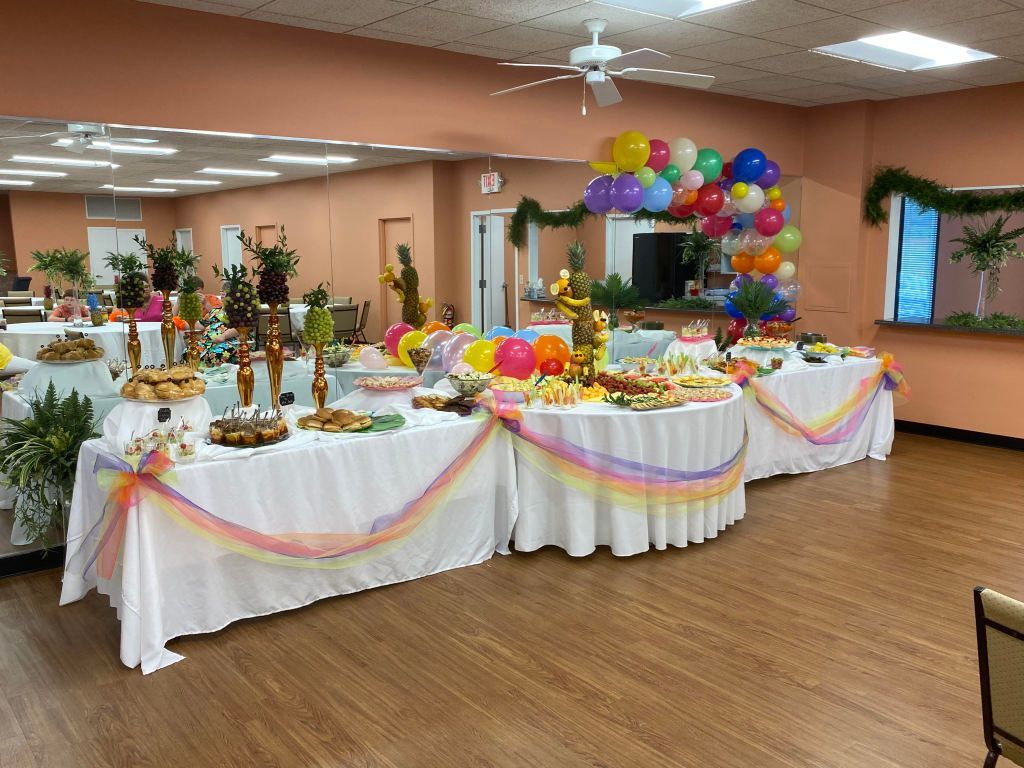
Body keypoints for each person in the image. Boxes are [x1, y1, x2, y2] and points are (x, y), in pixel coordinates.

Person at [194, 292, 248, 366]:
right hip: (206, 343)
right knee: (190, 351)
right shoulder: (215, 311)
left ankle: (211, 375)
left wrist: (224, 336)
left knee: (215, 355)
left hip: (229, 342)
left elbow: (241, 328)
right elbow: (199, 326)